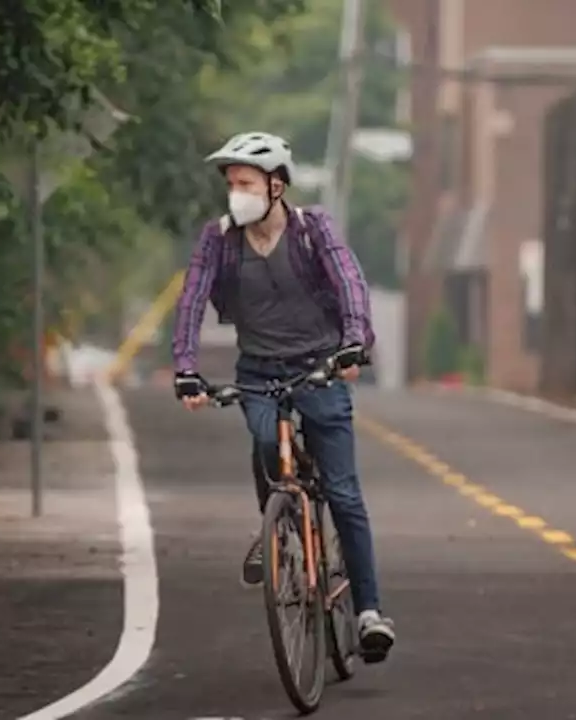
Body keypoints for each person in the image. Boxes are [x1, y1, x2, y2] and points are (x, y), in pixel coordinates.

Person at [170, 131, 396, 663]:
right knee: (267, 445)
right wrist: (185, 368)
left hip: (319, 366)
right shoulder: (219, 239)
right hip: (258, 369)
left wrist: (353, 344)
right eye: (231, 184)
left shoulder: (312, 229)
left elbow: (348, 282)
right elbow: (191, 300)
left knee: (342, 493)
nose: (236, 194)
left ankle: (368, 612)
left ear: (276, 186)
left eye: (245, 183)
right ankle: (275, 529)